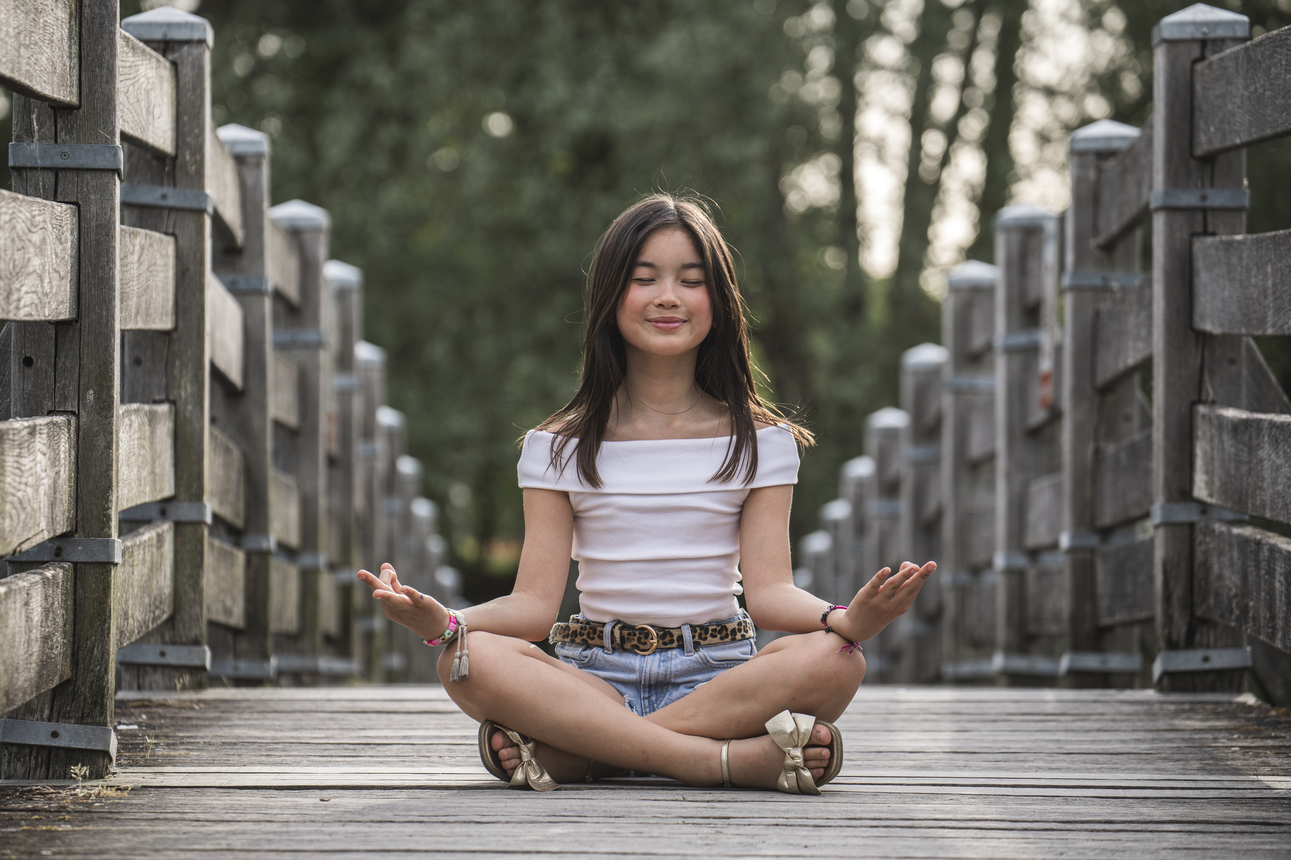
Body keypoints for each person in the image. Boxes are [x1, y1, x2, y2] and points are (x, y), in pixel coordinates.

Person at [358, 194, 936, 793]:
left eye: (691, 281)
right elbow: (532, 607)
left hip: (717, 674)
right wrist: (444, 623)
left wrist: (843, 618)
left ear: (719, 301)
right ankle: (723, 761)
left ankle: (587, 752)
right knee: (463, 659)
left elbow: (769, 594)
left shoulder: (763, 442)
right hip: (592, 673)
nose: (668, 297)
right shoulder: (556, 445)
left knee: (837, 658)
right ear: (611, 298)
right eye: (644, 279)